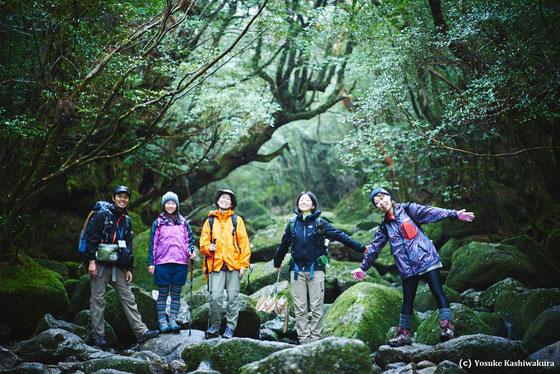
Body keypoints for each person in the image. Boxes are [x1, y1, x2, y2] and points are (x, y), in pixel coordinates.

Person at [351, 187, 475, 346]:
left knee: (437, 291)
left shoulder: (409, 209)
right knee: (407, 300)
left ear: (389, 196)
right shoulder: (384, 226)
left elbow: (431, 212)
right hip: (407, 266)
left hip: (426, 258)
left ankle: (447, 328)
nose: (381, 203)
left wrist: (454, 214)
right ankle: (404, 334)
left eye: (382, 198)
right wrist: (363, 268)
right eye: (377, 202)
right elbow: (375, 247)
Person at [273, 191, 367, 344]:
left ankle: (316, 338)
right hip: (296, 271)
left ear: (313, 204)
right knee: (300, 307)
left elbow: (340, 235)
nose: (303, 202)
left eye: (307, 200)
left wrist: (361, 248)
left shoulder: (320, 223)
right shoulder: (292, 224)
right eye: (301, 200)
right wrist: (277, 262)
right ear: (297, 204)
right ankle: (304, 339)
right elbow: (284, 244)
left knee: (317, 306)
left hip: (316, 269)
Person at [86, 186, 159, 347]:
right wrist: (91, 261)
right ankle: (98, 336)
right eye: (119, 196)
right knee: (98, 299)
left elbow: (128, 247)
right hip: (99, 264)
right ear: (113, 198)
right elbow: (92, 238)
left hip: (118, 266)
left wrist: (129, 269)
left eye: (125, 197)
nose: (122, 199)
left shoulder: (126, 220)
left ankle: (141, 332)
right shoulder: (102, 215)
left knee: (128, 297)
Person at [199, 189, 251, 339]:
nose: (225, 200)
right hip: (215, 264)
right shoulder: (210, 221)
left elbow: (244, 243)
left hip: (234, 264)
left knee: (232, 298)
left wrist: (243, 264)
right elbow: (203, 243)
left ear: (232, 203)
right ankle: (215, 325)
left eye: (228, 199)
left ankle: (230, 327)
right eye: (222, 198)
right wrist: (209, 248)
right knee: (215, 297)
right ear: (217, 201)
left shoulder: (237, 220)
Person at [148, 191, 196, 333]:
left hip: (180, 263)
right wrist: (151, 262)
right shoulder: (158, 223)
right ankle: (162, 321)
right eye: (167, 203)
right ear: (164, 205)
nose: (170, 206)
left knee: (176, 294)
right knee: (163, 293)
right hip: (162, 263)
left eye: (173, 203)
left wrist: (191, 251)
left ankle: (173, 320)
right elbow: (152, 244)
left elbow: (190, 241)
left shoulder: (183, 223)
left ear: (177, 205)